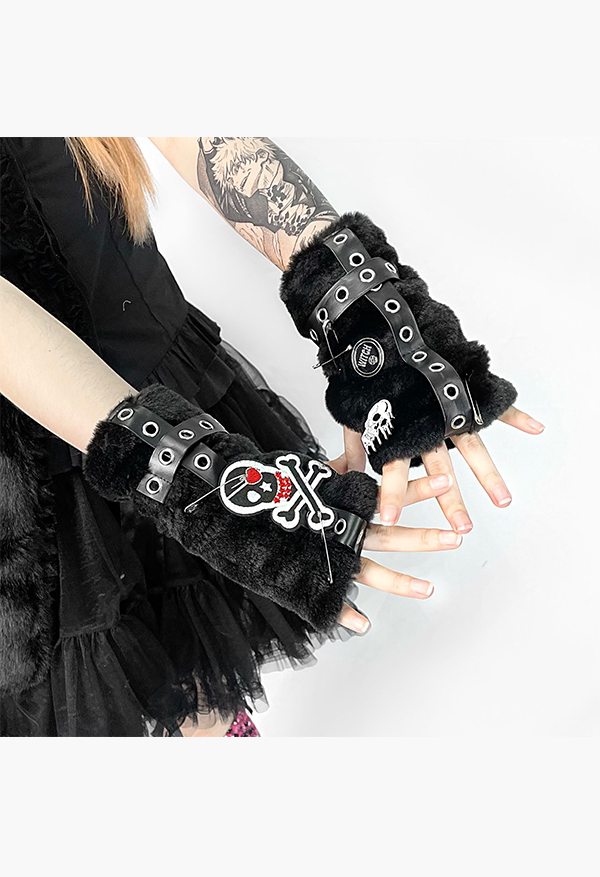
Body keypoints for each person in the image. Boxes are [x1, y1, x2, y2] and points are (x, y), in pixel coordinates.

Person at [0, 137, 544, 737]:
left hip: (163, 385)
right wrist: (196, 480)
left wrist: (368, 312)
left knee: (201, 697)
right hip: (29, 487)